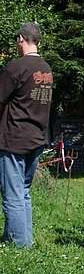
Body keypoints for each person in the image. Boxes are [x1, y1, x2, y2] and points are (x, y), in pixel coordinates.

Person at [0, 22, 53, 247]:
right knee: (23, 192)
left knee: (12, 195)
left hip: (14, 137)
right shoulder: (46, 69)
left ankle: (20, 245)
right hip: (37, 136)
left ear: (21, 39)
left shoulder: (16, 66)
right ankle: (19, 238)